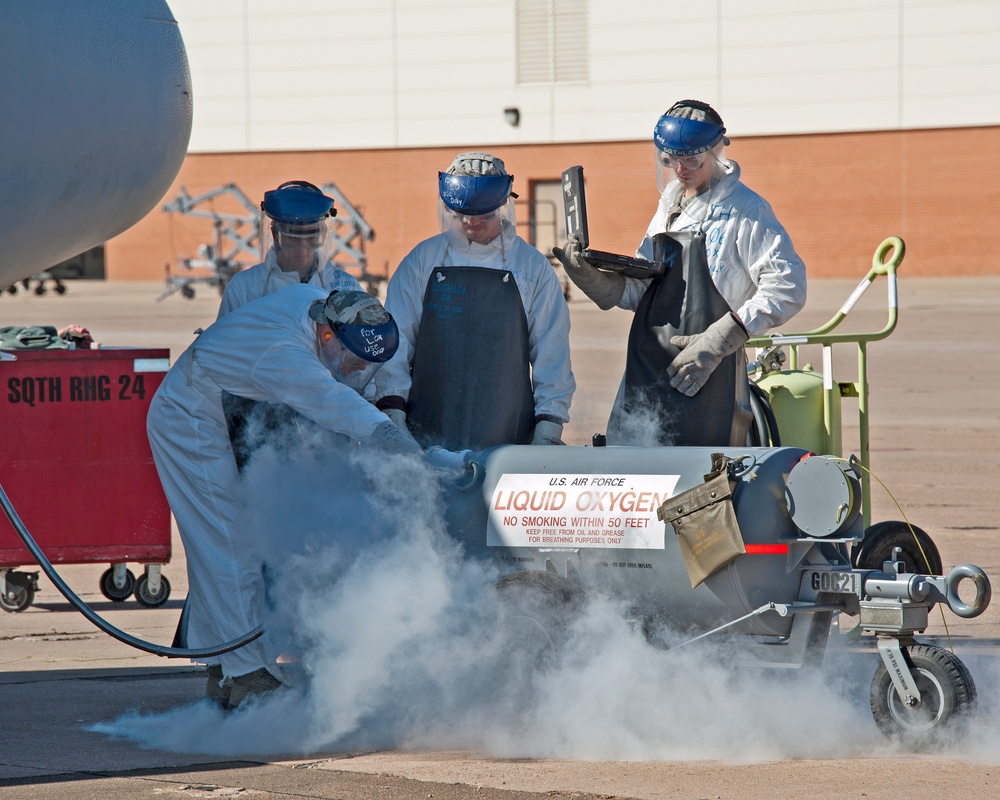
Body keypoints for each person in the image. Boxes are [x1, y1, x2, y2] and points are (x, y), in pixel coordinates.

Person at [146, 285, 421, 709]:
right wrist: (389, 435)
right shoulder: (284, 355)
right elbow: (331, 401)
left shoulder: (322, 303)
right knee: (230, 544)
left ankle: (222, 664)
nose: (353, 370)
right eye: (352, 360)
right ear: (327, 335)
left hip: (222, 406)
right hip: (191, 419)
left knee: (223, 544)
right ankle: (245, 676)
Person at [555, 99, 806, 446]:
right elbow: (647, 293)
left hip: (708, 375)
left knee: (704, 482)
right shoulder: (669, 209)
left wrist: (721, 339)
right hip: (649, 369)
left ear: (718, 152)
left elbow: (787, 286)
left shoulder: (744, 211)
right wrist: (599, 282)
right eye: (669, 160)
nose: (680, 171)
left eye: (692, 160)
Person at [374, 152, 575, 451]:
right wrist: (392, 408)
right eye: (460, 216)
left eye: (483, 216)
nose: (471, 225)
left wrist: (549, 423)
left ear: (504, 206)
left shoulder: (530, 268)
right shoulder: (421, 261)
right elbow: (396, 341)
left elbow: (551, 350)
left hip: (509, 434)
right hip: (424, 433)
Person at [217, 180, 363, 319]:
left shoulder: (344, 286)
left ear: (322, 236)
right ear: (275, 236)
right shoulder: (245, 288)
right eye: (293, 238)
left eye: (311, 237)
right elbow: (222, 341)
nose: (302, 249)